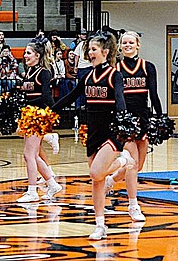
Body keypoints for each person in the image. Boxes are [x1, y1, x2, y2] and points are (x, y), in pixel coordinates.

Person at [51, 31, 136, 240]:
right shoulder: (87, 75)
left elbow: (119, 100)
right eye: (89, 49)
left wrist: (123, 122)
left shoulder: (114, 74)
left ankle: (124, 159)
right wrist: (50, 111)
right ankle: (100, 225)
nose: (90, 53)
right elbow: (71, 96)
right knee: (97, 181)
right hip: (93, 132)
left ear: (105, 52)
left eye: (94, 49)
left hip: (111, 131)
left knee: (97, 173)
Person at [101, 31, 164, 222]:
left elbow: (153, 95)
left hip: (143, 118)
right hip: (124, 121)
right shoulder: (115, 68)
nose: (128, 45)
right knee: (132, 163)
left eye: (131, 42)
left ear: (138, 45)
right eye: (124, 42)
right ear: (120, 46)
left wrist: (159, 118)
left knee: (138, 166)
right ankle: (133, 205)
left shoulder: (148, 67)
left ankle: (110, 181)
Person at [15, 37, 63, 203]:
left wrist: (26, 104)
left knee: (29, 155)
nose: (25, 55)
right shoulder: (29, 72)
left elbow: (46, 98)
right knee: (33, 155)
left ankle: (32, 191)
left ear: (37, 55)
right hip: (29, 115)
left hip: (38, 116)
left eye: (28, 53)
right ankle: (52, 183)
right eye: (25, 53)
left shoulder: (43, 72)